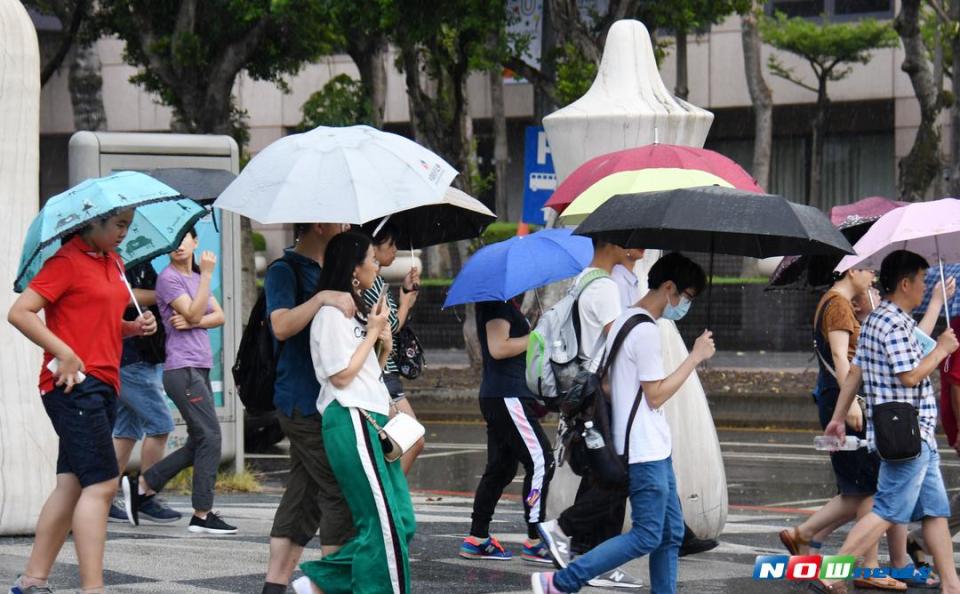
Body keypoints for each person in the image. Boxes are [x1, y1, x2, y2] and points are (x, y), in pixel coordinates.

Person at [532, 252, 716, 594]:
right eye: (687, 298)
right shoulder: (645, 329)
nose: (685, 306)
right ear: (669, 288)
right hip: (644, 449)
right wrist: (695, 357)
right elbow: (656, 395)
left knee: (670, 533)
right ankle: (561, 581)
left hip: (651, 445)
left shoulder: (624, 318)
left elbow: (606, 384)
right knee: (648, 533)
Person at [8, 211, 157, 594]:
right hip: (72, 384)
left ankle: (33, 581)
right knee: (103, 484)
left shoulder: (115, 262)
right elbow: (20, 312)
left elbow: (97, 321)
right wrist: (64, 352)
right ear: (92, 223)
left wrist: (132, 328)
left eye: (128, 224)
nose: (125, 232)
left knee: (72, 485)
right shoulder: (66, 262)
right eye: (119, 224)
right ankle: (94, 589)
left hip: (104, 383)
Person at [819, 250, 960, 594]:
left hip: (915, 432)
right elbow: (910, 376)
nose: (925, 287)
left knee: (935, 511)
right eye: (923, 281)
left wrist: (838, 418)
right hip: (907, 435)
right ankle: (831, 571)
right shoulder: (894, 323)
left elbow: (855, 373)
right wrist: (941, 351)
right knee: (886, 511)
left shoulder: (879, 319)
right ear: (905, 283)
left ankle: (951, 584)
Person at [778, 268, 917, 591]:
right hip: (843, 397)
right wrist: (850, 402)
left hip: (838, 396)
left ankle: (807, 535)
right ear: (851, 270)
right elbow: (842, 357)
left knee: (859, 487)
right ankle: (863, 565)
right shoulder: (838, 304)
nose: (873, 278)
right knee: (866, 486)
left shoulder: (834, 301)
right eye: (869, 270)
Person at [293, 230, 416, 594]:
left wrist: (382, 345)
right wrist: (371, 335)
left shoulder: (353, 310)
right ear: (353, 268)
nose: (377, 266)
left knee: (401, 521)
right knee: (382, 524)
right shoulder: (330, 314)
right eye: (372, 261)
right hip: (350, 418)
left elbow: (366, 373)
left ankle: (321, 582)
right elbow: (341, 375)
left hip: (370, 415)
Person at [538, 239, 646, 589]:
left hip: (583, 391)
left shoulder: (584, 280)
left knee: (604, 473)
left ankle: (593, 556)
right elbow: (619, 348)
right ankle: (565, 530)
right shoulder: (605, 287)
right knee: (616, 476)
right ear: (613, 243)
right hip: (600, 393)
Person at [261, 223, 358, 594]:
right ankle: (331, 586)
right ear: (320, 223)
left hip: (325, 402)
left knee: (303, 498)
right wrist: (321, 299)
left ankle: (275, 585)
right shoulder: (284, 270)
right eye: (341, 219)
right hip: (301, 400)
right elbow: (281, 325)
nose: (347, 226)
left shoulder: (330, 268)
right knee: (339, 491)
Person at [124, 228, 234, 534]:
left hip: (199, 366)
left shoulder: (196, 278)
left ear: (195, 242)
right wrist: (207, 279)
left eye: (185, 237)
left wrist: (195, 317)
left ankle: (144, 485)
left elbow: (218, 316)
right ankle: (202, 513)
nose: (179, 244)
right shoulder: (169, 279)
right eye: (173, 240)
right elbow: (197, 310)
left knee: (199, 440)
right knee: (211, 437)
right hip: (181, 368)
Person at [459, 295, 555, 563]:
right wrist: (536, 337)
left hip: (500, 394)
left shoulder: (506, 305)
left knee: (501, 469)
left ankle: (477, 537)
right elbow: (498, 347)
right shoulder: (497, 304)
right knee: (541, 461)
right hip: (507, 396)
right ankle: (536, 539)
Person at [108, 262, 180, 525]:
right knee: (160, 425)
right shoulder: (116, 261)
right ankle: (145, 493)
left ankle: (103, 496)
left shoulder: (142, 262)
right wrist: (167, 292)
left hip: (142, 357)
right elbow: (124, 296)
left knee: (126, 432)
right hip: (129, 360)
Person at [361, 222, 425, 475]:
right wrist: (406, 303)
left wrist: (405, 295)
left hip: (385, 370)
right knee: (409, 440)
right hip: (380, 372)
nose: (395, 250)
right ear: (372, 250)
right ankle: (392, 497)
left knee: (407, 440)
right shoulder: (371, 283)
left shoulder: (378, 280)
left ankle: (392, 496)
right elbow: (388, 325)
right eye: (391, 245)